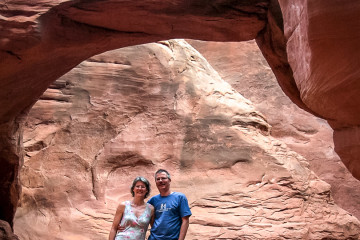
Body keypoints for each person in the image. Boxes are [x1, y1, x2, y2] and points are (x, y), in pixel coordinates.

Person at [147, 169, 192, 240]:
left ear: (169, 180)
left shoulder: (180, 197)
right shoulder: (153, 200)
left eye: (163, 178)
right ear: (155, 182)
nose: (161, 181)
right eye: (158, 179)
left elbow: (185, 220)